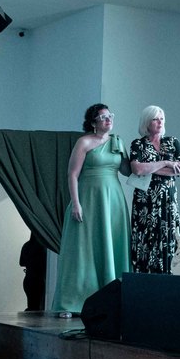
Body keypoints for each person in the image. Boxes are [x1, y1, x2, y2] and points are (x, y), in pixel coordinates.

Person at [53, 103, 131, 316]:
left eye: (110, 116)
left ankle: (111, 302)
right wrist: (76, 203)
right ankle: (72, 303)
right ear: (93, 122)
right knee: (82, 251)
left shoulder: (117, 142)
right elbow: (72, 174)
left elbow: (127, 171)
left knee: (111, 246)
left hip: (113, 201)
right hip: (88, 199)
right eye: (103, 117)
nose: (108, 119)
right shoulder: (84, 142)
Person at [130, 105, 180, 273]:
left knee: (169, 238)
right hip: (145, 200)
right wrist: (167, 163)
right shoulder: (138, 144)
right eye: (155, 119)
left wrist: (150, 167)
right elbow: (137, 169)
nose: (160, 122)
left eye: (162, 119)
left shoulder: (173, 142)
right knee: (145, 239)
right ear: (146, 123)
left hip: (167, 199)